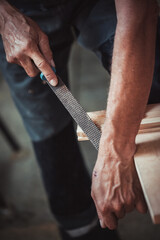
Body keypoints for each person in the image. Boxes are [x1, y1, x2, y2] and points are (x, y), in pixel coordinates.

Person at [0, 0, 159, 239]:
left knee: (152, 86)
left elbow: (138, 17)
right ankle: (83, 229)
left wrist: (115, 153)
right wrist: (5, 17)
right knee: (53, 150)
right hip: (17, 9)